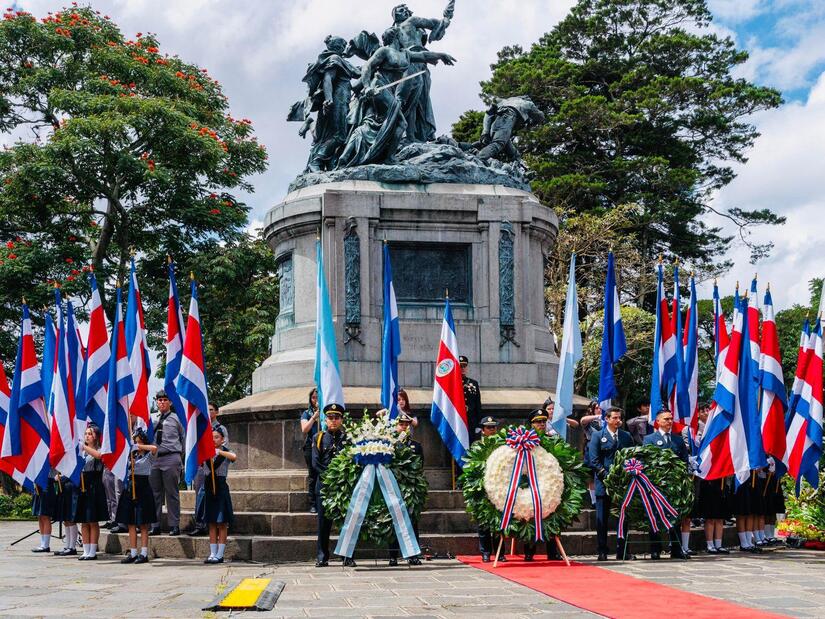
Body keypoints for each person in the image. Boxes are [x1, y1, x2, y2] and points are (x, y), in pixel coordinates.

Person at [289, 35, 361, 172]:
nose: (345, 48)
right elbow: (328, 78)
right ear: (339, 47)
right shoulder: (335, 59)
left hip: (343, 98)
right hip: (337, 98)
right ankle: (317, 161)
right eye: (344, 46)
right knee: (340, 135)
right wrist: (329, 99)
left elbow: (357, 72)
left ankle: (329, 160)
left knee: (329, 134)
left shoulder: (340, 60)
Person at [642, 409, 690, 560]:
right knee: (655, 517)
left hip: (674, 484)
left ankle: (676, 549)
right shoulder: (649, 439)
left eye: (670, 419)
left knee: (675, 516)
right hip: (657, 485)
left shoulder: (678, 440)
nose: (669, 422)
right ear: (658, 422)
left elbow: (684, 460)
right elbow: (647, 459)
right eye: (666, 419)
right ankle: (655, 549)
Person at [587, 406, 634, 561]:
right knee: (602, 519)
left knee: (623, 518)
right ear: (606, 419)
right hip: (603, 483)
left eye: (619, 418)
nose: (618, 421)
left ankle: (623, 549)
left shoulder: (626, 436)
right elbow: (594, 460)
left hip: (622, 484)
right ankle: (602, 550)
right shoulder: (598, 436)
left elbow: (632, 457)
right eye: (614, 418)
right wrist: (608, 477)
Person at [312, 403, 353, 567]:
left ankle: (347, 556)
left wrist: (342, 478)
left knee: (347, 522)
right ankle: (322, 556)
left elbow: (352, 461)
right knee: (323, 523)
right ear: (325, 419)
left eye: (337, 418)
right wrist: (331, 478)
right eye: (330, 418)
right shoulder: (319, 437)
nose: (333, 421)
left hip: (344, 486)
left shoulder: (348, 438)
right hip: (325, 486)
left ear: (342, 419)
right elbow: (315, 463)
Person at [523, 409, 561, 561]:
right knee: (529, 517)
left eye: (544, 421)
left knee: (552, 516)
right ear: (531, 424)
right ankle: (529, 551)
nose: (541, 424)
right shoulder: (525, 441)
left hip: (550, 484)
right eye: (538, 422)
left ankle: (552, 552)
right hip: (530, 483)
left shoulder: (552, 440)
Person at [117, 428, 158, 564]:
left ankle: (144, 553)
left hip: (142, 487)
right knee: (131, 522)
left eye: (139, 442)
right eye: (135, 442)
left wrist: (138, 446)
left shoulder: (148, 456)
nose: (136, 444)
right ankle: (133, 552)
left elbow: (154, 448)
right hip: (130, 486)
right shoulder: (130, 456)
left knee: (143, 523)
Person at [188, 402, 229, 536]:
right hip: (202, 465)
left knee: (216, 495)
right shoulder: (200, 426)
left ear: (216, 412)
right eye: (207, 409)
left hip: (217, 466)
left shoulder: (220, 428)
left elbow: (224, 447)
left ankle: (218, 522)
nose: (209, 412)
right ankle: (200, 525)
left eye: (211, 410)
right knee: (200, 495)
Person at [388, 411, 423, 566]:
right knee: (393, 519)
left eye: (407, 424)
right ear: (396, 426)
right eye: (401, 424)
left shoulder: (416, 446)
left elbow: (421, 466)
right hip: (394, 486)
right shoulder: (390, 445)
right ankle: (393, 555)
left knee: (412, 521)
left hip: (411, 487)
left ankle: (413, 555)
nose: (404, 427)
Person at [149, 389, 184, 536]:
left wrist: (179, 457)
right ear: (156, 402)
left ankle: (174, 525)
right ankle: (155, 524)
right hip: (154, 458)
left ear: (170, 402)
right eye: (159, 400)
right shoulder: (151, 418)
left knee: (172, 493)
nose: (162, 402)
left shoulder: (177, 418)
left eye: (165, 400)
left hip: (171, 457)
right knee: (154, 493)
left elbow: (183, 438)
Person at [201, 426, 237, 564]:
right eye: (211, 437)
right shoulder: (205, 453)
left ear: (222, 440)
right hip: (208, 488)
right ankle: (212, 553)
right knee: (211, 523)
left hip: (221, 488)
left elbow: (234, 457)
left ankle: (220, 554)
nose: (213, 439)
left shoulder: (226, 452)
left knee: (222, 522)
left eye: (216, 437)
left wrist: (219, 452)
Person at [475, 96, 545, 162]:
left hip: (495, 124)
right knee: (498, 143)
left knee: (514, 154)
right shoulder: (528, 103)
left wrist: (485, 132)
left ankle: (520, 170)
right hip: (507, 119)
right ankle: (478, 159)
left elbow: (489, 113)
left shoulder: (505, 101)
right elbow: (540, 116)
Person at [76, 424, 109, 560]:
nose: (87, 436)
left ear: (96, 436)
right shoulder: (81, 452)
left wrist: (84, 447)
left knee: (92, 520)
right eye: (86, 433)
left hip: (94, 485)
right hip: (83, 485)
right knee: (84, 521)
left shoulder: (98, 449)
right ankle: (85, 549)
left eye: (90, 433)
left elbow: (99, 456)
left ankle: (93, 550)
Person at [476, 416, 506, 562]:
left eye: (494, 427)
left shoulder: (503, 446)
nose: (492, 430)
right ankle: (486, 552)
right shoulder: (476, 446)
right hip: (482, 488)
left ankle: (500, 553)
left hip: (499, 487)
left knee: (500, 522)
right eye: (489, 427)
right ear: (483, 430)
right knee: (484, 523)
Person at [300, 388, 321, 516]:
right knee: (313, 475)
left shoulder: (327, 412)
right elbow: (304, 429)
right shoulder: (306, 413)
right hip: (311, 446)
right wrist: (314, 417)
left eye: (318, 397)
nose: (316, 400)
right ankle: (313, 504)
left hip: (324, 446)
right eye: (313, 397)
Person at [579, 400, 602, 507]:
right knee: (592, 476)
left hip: (605, 449)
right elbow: (582, 420)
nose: (599, 409)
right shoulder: (591, 421)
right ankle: (594, 501)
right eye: (597, 407)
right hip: (592, 449)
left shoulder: (608, 420)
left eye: (601, 407)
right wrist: (598, 416)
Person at [52, 471, 79, 557]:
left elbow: (74, 473)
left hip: (71, 488)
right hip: (64, 489)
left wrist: (62, 477)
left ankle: (72, 547)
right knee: (66, 520)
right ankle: (67, 545)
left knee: (70, 518)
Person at [30, 472, 56, 553]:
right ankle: (42, 544)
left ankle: (46, 545)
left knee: (45, 515)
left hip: (47, 484)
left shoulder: (49, 459)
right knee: (40, 516)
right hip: (38, 484)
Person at [459, 356, 482, 443]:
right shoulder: (452, 384)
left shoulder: (473, 383)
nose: (463, 368)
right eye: (460, 366)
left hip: (471, 422)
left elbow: (478, 405)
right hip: (457, 421)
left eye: (465, 366)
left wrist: (479, 424)